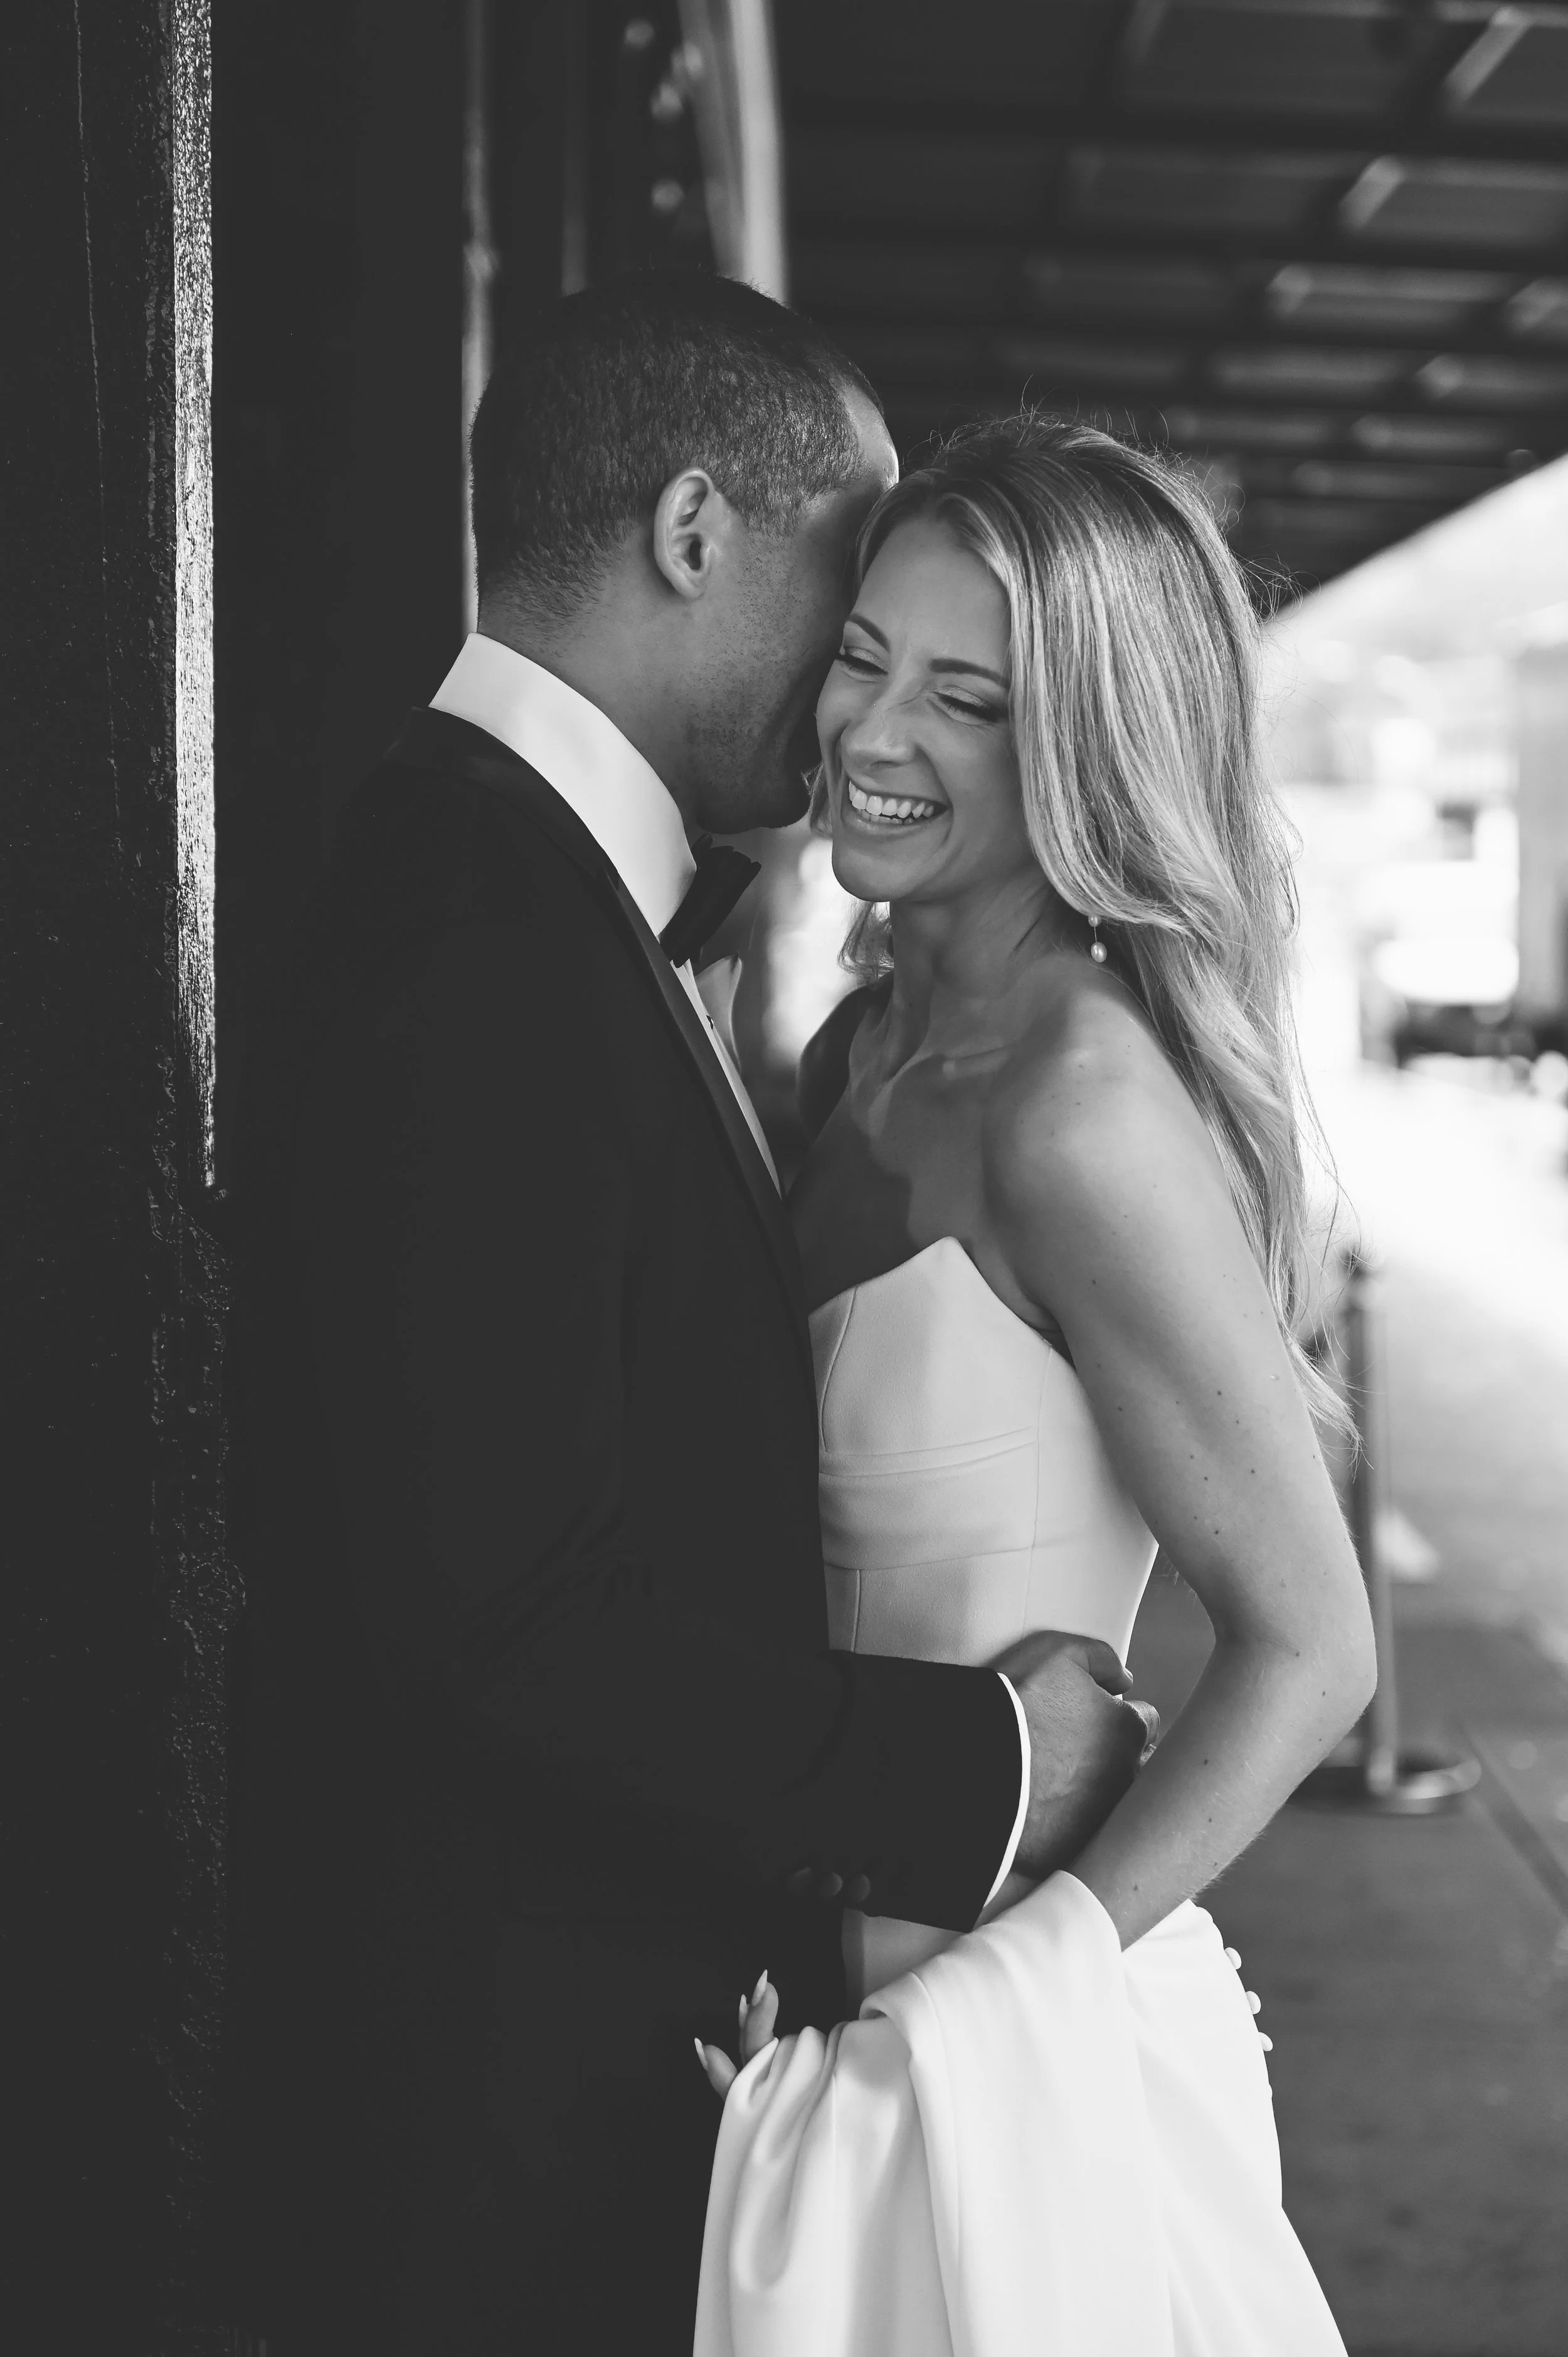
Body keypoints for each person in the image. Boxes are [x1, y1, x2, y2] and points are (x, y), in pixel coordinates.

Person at [220, 281, 1154, 2355]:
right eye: (847, 588)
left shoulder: (520, 893)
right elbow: (505, 1610)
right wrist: (985, 1757)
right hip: (488, 2158)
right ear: (695, 527)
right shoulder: (482, 941)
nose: (849, 690)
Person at [691, 415, 1377, 2356]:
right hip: (809, 2035)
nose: (872, 731)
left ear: (1082, 742)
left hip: (1012, 2081)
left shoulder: (1077, 1110)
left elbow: (1311, 1646)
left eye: (966, 697)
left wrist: (1005, 1998)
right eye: (862, 656)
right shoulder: (859, 1043)